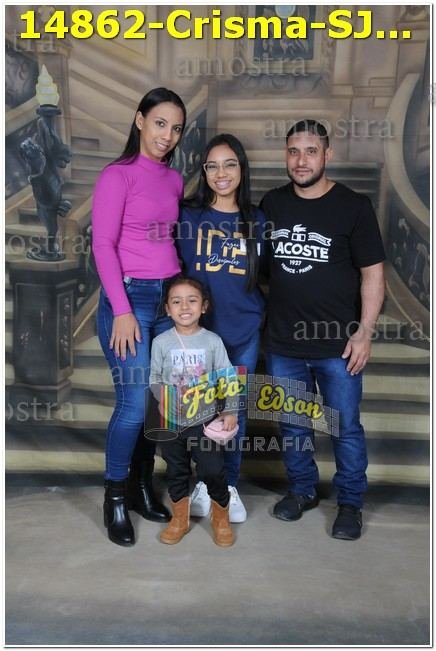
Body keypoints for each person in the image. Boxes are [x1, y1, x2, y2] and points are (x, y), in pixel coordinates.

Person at [261, 119, 385, 540]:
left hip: (338, 345)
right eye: (293, 151)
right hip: (284, 344)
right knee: (293, 425)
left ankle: (350, 503)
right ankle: (302, 490)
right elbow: (261, 267)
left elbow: (373, 274)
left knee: (345, 427)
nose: (301, 160)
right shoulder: (272, 204)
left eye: (310, 151)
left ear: (327, 155)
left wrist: (365, 331)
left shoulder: (354, 206)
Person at [92, 87, 186, 547]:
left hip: (168, 301)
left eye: (176, 128)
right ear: (139, 120)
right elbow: (102, 244)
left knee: (155, 405)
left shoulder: (175, 180)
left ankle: (141, 487)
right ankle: (113, 499)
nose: (167, 135)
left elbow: (168, 241)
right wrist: (123, 310)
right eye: (160, 123)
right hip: (128, 299)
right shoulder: (118, 175)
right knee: (132, 404)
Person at [178, 133, 266, 523]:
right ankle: (203, 482)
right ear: (204, 172)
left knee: (233, 412)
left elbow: (269, 275)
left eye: (229, 164)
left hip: (243, 331)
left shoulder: (257, 220)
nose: (221, 173)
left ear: (241, 169)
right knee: (197, 410)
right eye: (212, 166)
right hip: (199, 334)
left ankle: (227, 486)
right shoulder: (188, 216)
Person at [150, 276, 238, 547]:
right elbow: (154, 378)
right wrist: (163, 399)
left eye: (192, 300)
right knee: (176, 470)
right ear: (167, 309)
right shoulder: (161, 342)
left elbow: (228, 376)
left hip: (204, 421)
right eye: (176, 302)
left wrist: (231, 410)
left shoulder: (212, 341)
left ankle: (221, 518)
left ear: (204, 306)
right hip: (171, 422)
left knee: (212, 470)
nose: (184, 307)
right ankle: (179, 520)